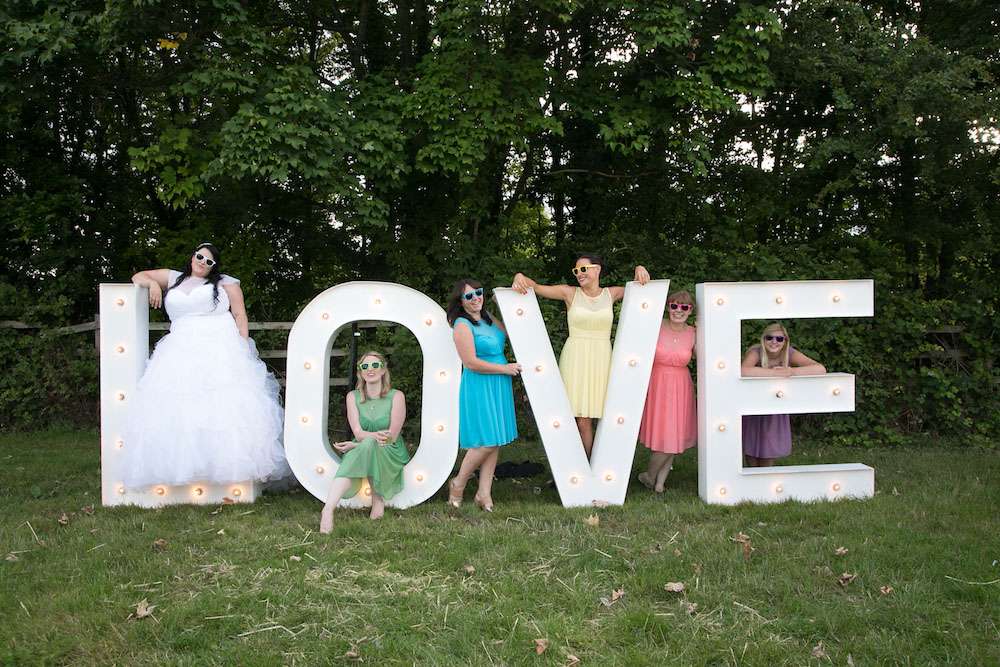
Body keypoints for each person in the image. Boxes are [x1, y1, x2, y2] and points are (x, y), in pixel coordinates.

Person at [123, 243, 290, 488]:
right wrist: (153, 285)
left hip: (218, 346)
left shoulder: (226, 283)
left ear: (214, 266)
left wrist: (242, 348)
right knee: (179, 405)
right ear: (193, 256)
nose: (203, 262)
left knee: (222, 407)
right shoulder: (173, 278)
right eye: (200, 256)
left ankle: (231, 468)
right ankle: (183, 467)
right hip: (179, 347)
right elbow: (138, 276)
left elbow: (240, 315)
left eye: (209, 261)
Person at [512, 254, 650, 458]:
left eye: (583, 269)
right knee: (579, 418)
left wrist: (639, 266)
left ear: (597, 269)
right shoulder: (569, 293)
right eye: (576, 271)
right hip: (575, 358)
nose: (579, 274)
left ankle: (600, 463)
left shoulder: (611, 293)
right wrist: (519, 276)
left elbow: (641, 288)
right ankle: (582, 465)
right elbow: (536, 287)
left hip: (602, 358)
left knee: (606, 415)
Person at [445, 279, 521, 512]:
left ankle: (483, 493)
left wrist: (502, 304)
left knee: (494, 439)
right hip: (480, 382)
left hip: (498, 382)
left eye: (478, 293)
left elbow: (508, 333)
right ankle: (458, 483)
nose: (475, 298)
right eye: (469, 296)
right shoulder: (461, 325)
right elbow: (470, 362)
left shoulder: (487, 316)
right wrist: (505, 368)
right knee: (486, 441)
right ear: (461, 301)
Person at [319, 351, 408, 534]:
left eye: (375, 365)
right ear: (360, 371)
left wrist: (358, 444)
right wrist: (360, 442)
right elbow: (358, 434)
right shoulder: (353, 397)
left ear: (383, 370)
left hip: (390, 448)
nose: (370, 369)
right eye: (365, 366)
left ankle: (377, 499)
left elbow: (391, 435)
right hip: (364, 446)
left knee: (367, 445)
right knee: (367, 445)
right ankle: (327, 510)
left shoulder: (396, 396)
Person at [741, 323, 826, 467]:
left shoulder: (789, 353)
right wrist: (774, 373)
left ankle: (765, 475)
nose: (774, 342)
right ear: (763, 339)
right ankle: (752, 474)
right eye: (769, 338)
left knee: (769, 446)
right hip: (754, 406)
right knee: (751, 448)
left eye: (779, 339)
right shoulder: (756, 351)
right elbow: (743, 370)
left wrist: (792, 371)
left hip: (776, 407)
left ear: (785, 341)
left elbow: (820, 368)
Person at [637, 290, 697, 492]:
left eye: (684, 307)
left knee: (674, 433)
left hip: (681, 385)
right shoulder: (656, 326)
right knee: (665, 433)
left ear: (690, 311)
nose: (679, 310)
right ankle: (656, 481)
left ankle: (654, 478)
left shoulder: (694, 333)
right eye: (674, 305)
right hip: (657, 384)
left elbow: (703, 357)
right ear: (668, 307)